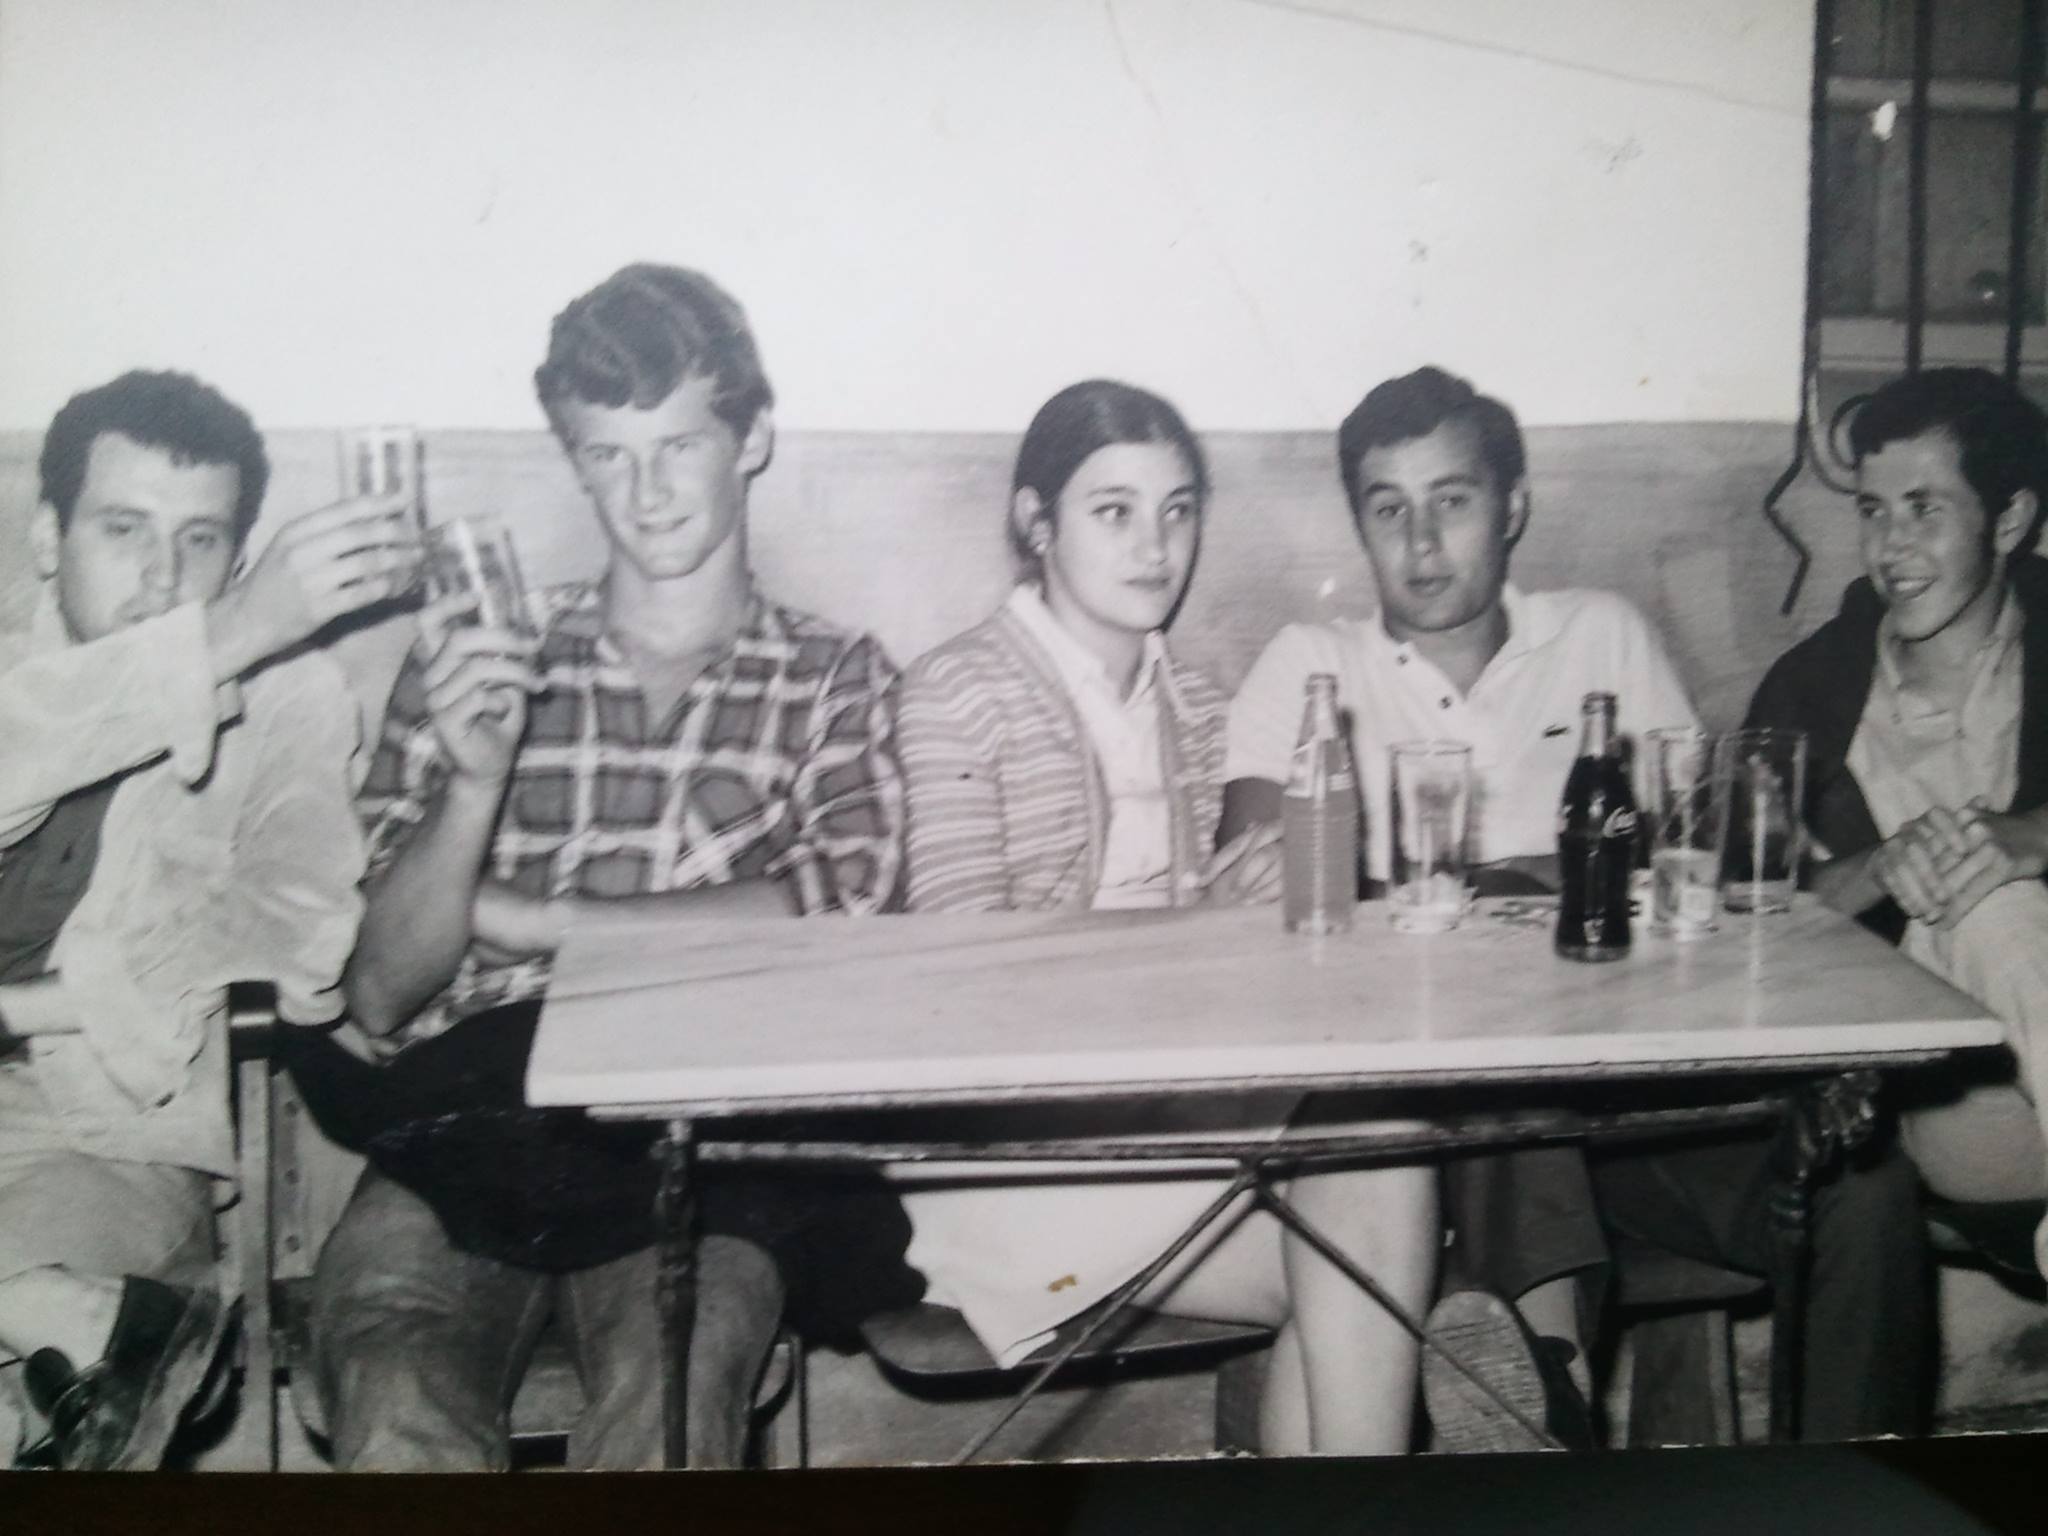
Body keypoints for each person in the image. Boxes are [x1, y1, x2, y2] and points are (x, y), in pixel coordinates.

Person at [1220, 366, 1930, 1448]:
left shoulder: (1600, 637)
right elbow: (1260, 873)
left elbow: (1686, 866)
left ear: (1510, 509)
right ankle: (1544, 1387)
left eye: (1449, 501)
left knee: (1862, 1193)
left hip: (1636, 1107)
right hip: (1422, 1147)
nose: (1418, 543)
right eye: (1386, 508)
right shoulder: (1309, 668)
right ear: (1357, 523)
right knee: (1490, 1002)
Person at [307, 263, 922, 1471]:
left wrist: (542, 923)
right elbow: (377, 991)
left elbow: (840, 913)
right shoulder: (477, 655)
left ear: (750, 443)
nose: (644, 494)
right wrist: (476, 784)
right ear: (574, 459)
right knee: (391, 1394)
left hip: (693, 1138)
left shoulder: (832, 674)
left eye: (678, 445)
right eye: (608, 455)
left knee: (671, 1401)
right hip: (456, 1133)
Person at [894, 379, 1439, 1456]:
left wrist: (1264, 903)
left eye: (1177, 509)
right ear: (1034, 523)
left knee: (1370, 1201)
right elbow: (958, 971)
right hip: (1014, 1157)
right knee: (1364, 1251)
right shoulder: (954, 690)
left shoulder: (1196, 707)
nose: (1155, 545)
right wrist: (1196, 923)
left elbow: (1227, 971)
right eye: (1114, 511)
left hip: (1178, 1128)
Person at [0, 369, 418, 1468]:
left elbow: (292, 935)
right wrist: (207, 644)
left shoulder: (289, 701)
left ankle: (68, 1323)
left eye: (198, 541)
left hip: (97, 1134)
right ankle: (70, 1323)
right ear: (49, 540)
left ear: (237, 561)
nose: (158, 577)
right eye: (123, 528)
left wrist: (20, 1008)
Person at [1746, 366, 2048, 1278]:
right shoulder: (1809, 691)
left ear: (2008, 521)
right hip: (1944, 1100)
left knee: (2003, 885)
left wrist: (2034, 838)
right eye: (1873, 512)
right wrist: (1879, 869)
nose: (1892, 548)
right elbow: (1740, 929)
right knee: (1988, 910)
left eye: (1925, 510)